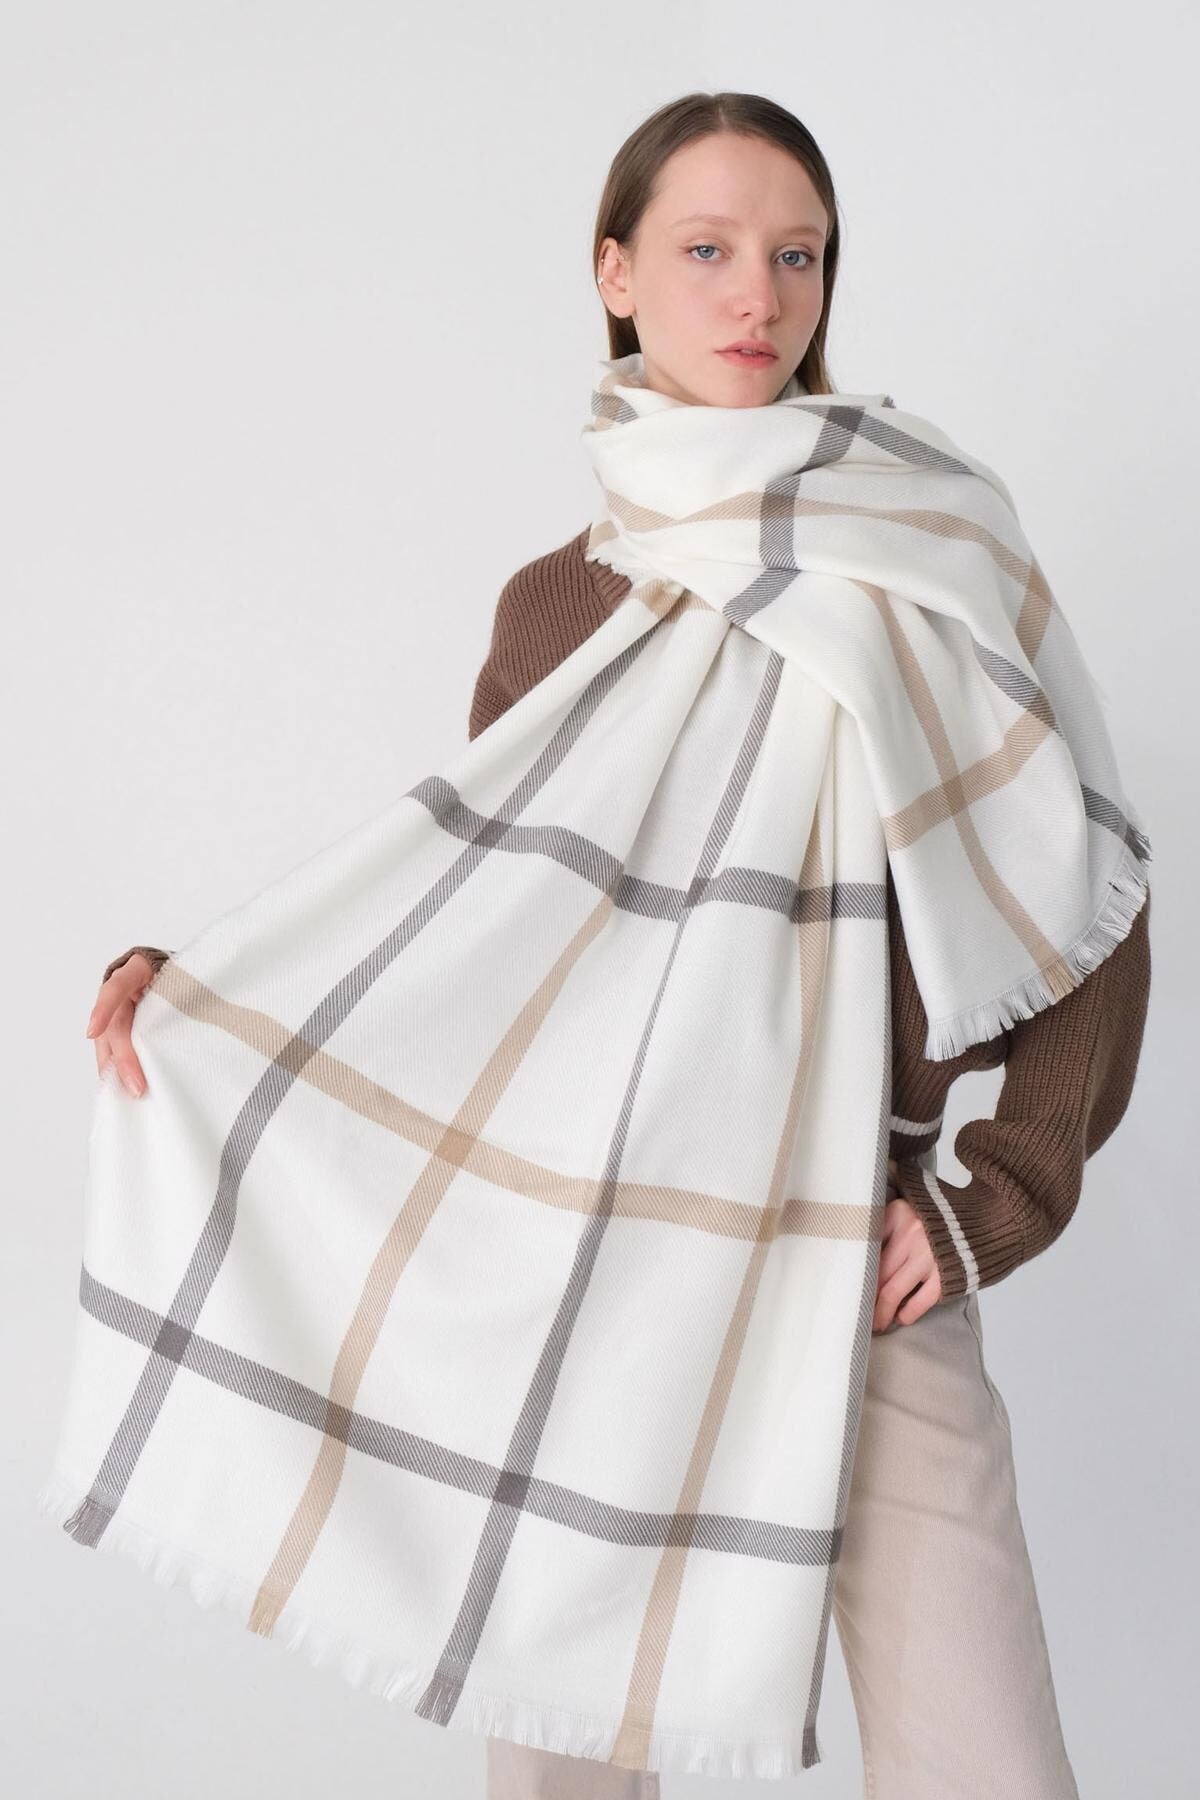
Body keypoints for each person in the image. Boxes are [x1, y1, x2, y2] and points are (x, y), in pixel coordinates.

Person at [87, 92, 1151, 1800]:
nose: (758, 296)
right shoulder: (556, 607)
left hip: (859, 1252)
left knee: (989, 1765)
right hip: (594, 1256)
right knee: (568, 1773)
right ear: (616, 273)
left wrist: (996, 1196)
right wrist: (204, 998)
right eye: (707, 249)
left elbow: (1086, 890)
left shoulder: (930, 549)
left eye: (796, 255)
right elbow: (477, 941)